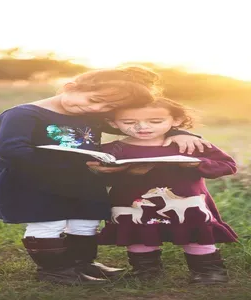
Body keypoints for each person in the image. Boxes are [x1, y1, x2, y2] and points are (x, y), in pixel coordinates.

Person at [0, 66, 212, 285]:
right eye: (95, 101)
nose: (99, 109)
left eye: (109, 107)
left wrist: (179, 133)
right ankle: (55, 270)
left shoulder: (91, 114)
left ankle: (81, 263)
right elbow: (9, 149)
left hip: (79, 179)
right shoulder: (22, 115)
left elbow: (134, 126)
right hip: (34, 179)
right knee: (48, 221)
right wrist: (58, 165)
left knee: (86, 221)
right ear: (69, 87)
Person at [89, 97, 238, 285]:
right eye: (129, 122)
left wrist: (198, 163)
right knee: (138, 233)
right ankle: (145, 271)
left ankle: (209, 271)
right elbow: (98, 178)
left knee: (195, 232)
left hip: (186, 200)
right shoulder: (111, 150)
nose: (142, 127)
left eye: (156, 121)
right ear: (112, 122)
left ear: (176, 120)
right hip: (133, 202)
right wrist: (118, 173)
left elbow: (227, 165)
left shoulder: (190, 144)